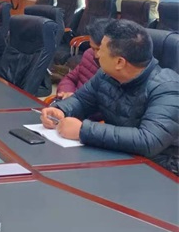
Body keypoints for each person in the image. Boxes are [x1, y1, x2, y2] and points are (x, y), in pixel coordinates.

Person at [41, 20, 179, 174]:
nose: (97, 54)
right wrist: (61, 109)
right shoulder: (106, 75)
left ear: (119, 62)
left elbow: (148, 140)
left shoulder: (167, 88)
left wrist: (83, 131)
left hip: (160, 170)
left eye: (101, 50)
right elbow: (81, 100)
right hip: (118, 155)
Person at [55, 18, 111, 100]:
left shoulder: (116, 71)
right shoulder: (89, 54)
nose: (96, 55)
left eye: (99, 49)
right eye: (93, 48)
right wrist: (67, 92)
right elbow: (69, 79)